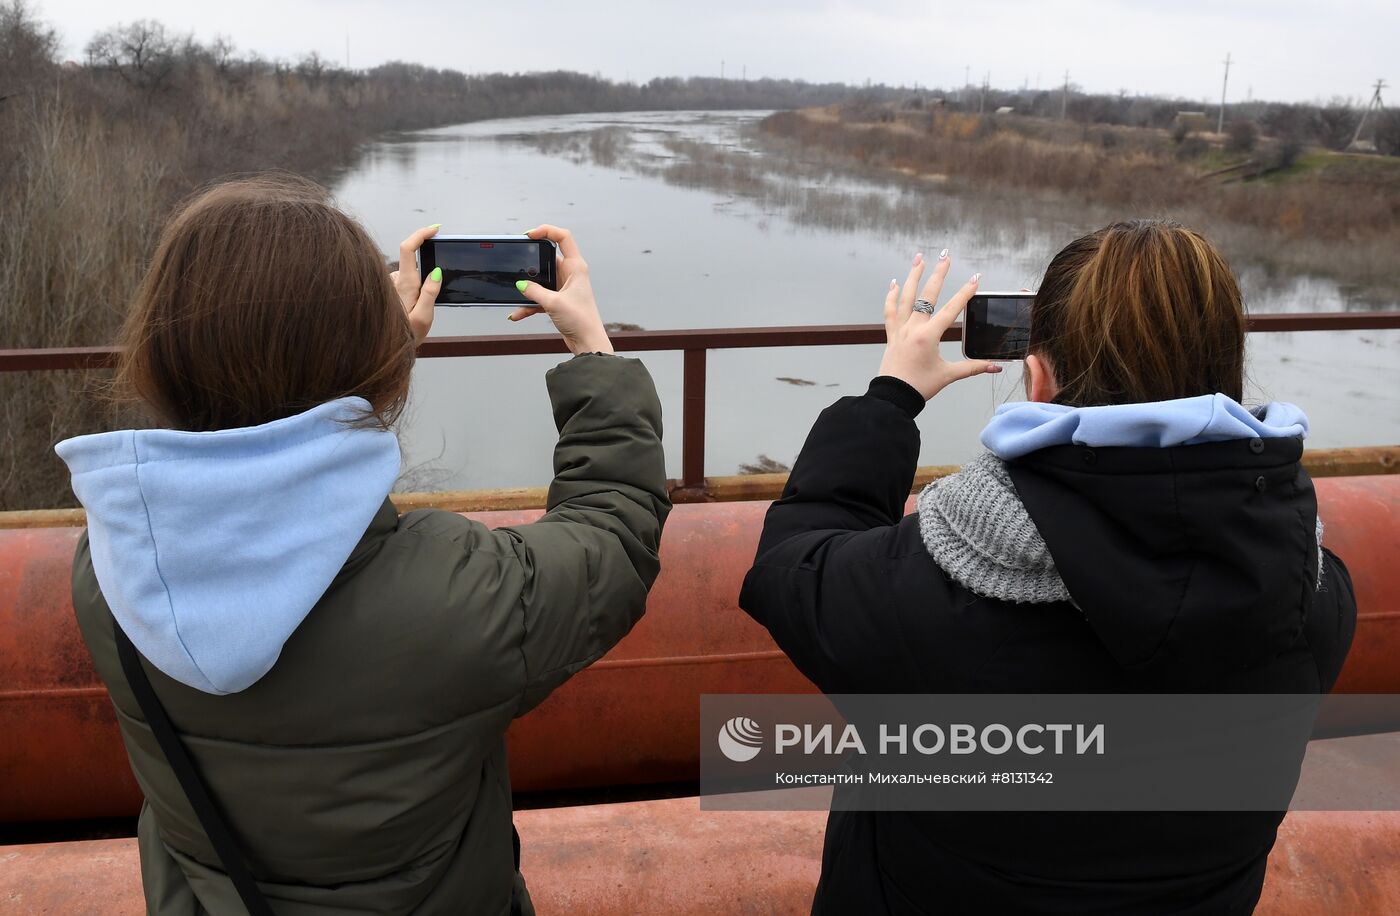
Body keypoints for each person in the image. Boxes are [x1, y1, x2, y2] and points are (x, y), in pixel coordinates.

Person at [56, 174, 670, 914]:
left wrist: (372, 368)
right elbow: (614, 530)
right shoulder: (458, 594)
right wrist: (590, 350)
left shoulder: (111, 572)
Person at [738, 221, 1356, 915]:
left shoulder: (929, 598)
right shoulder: (1313, 598)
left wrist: (891, 396)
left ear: (1036, 377)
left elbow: (793, 563)